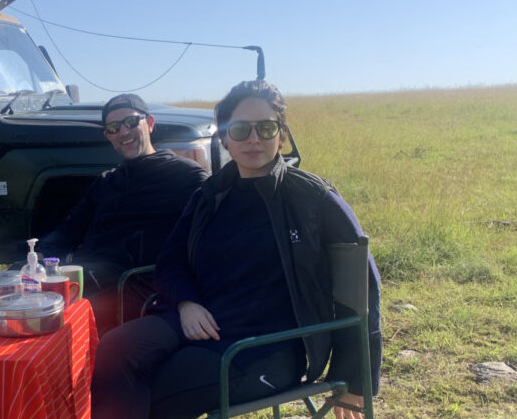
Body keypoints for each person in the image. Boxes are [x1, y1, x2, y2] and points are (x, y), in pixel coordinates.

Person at [91, 80, 382, 419]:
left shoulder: (311, 199)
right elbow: (171, 260)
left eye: (266, 128)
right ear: (225, 138)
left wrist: (354, 377)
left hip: (266, 346)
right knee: (115, 348)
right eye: (241, 129)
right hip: (201, 321)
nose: (253, 139)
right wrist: (186, 303)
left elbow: (362, 287)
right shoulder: (210, 194)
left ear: (281, 135)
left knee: (151, 392)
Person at [36, 93, 209, 335]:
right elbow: (70, 229)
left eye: (131, 122)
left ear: (149, 123)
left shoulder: (185, 177)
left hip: (132, 283)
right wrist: (37, 255)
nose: (123, 132)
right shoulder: (106, 182)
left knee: (49, 319)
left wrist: (188, 298)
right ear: (108, 136)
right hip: (87, 274)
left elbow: (209, 241)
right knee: (20, 296)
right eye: (114, 128)